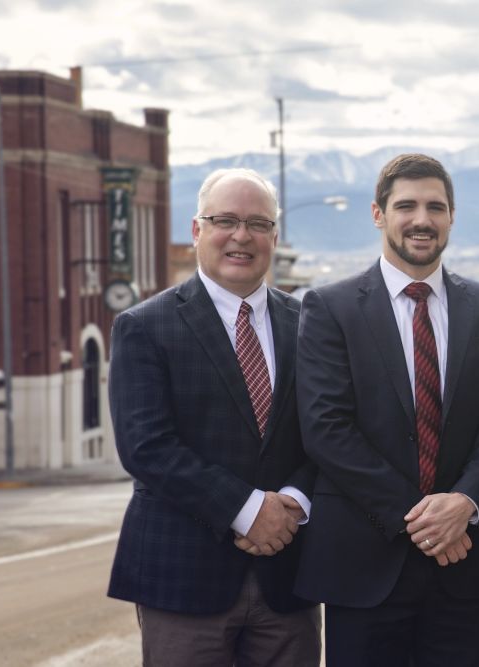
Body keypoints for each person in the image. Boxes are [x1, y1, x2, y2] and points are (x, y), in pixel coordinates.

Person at [294, 153, 479, 666]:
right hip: (365, 563)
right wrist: (424, 521)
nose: (422, 219)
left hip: (461, 565)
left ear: (451, 217)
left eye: (435, 207)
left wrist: (464, 502)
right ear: (378, 214)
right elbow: (326, 428)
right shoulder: (331, 308)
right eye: (407, 206)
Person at [107, 168, 320, 665]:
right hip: (183, 577)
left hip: (287, 580)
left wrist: (292, 502)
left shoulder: (311, 326)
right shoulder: (144, 326)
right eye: (225, 220)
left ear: (273, 235)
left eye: (258, 223)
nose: (241, 236)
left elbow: (328, 433)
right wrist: (247, 510)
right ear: (197, 230)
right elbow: (146, 447)